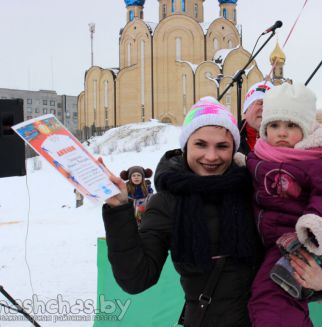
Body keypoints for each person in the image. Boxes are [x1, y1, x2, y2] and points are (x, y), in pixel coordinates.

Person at [101, 97, 263, 326]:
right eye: (200, 144)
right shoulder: (168, 202)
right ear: (186, 146)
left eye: (222, 146)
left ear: (234, 148)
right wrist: (118, 209)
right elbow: (136, 278)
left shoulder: (256, 189)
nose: (211, 156)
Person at [245, 83, 322, 326]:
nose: (282, 133)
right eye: (274, 125)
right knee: (281, 300)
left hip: (305, 241)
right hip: (269, 240)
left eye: (291, 125)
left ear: (307, 130)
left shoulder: (321, 163)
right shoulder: (260, 157)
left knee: (273, 299)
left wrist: (315, 224)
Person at [238, 81, 274, 154]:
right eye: (260, 103)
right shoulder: (230, 137)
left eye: (270, 104)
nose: (264, 108)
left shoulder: (286, 140)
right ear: (246, 110)